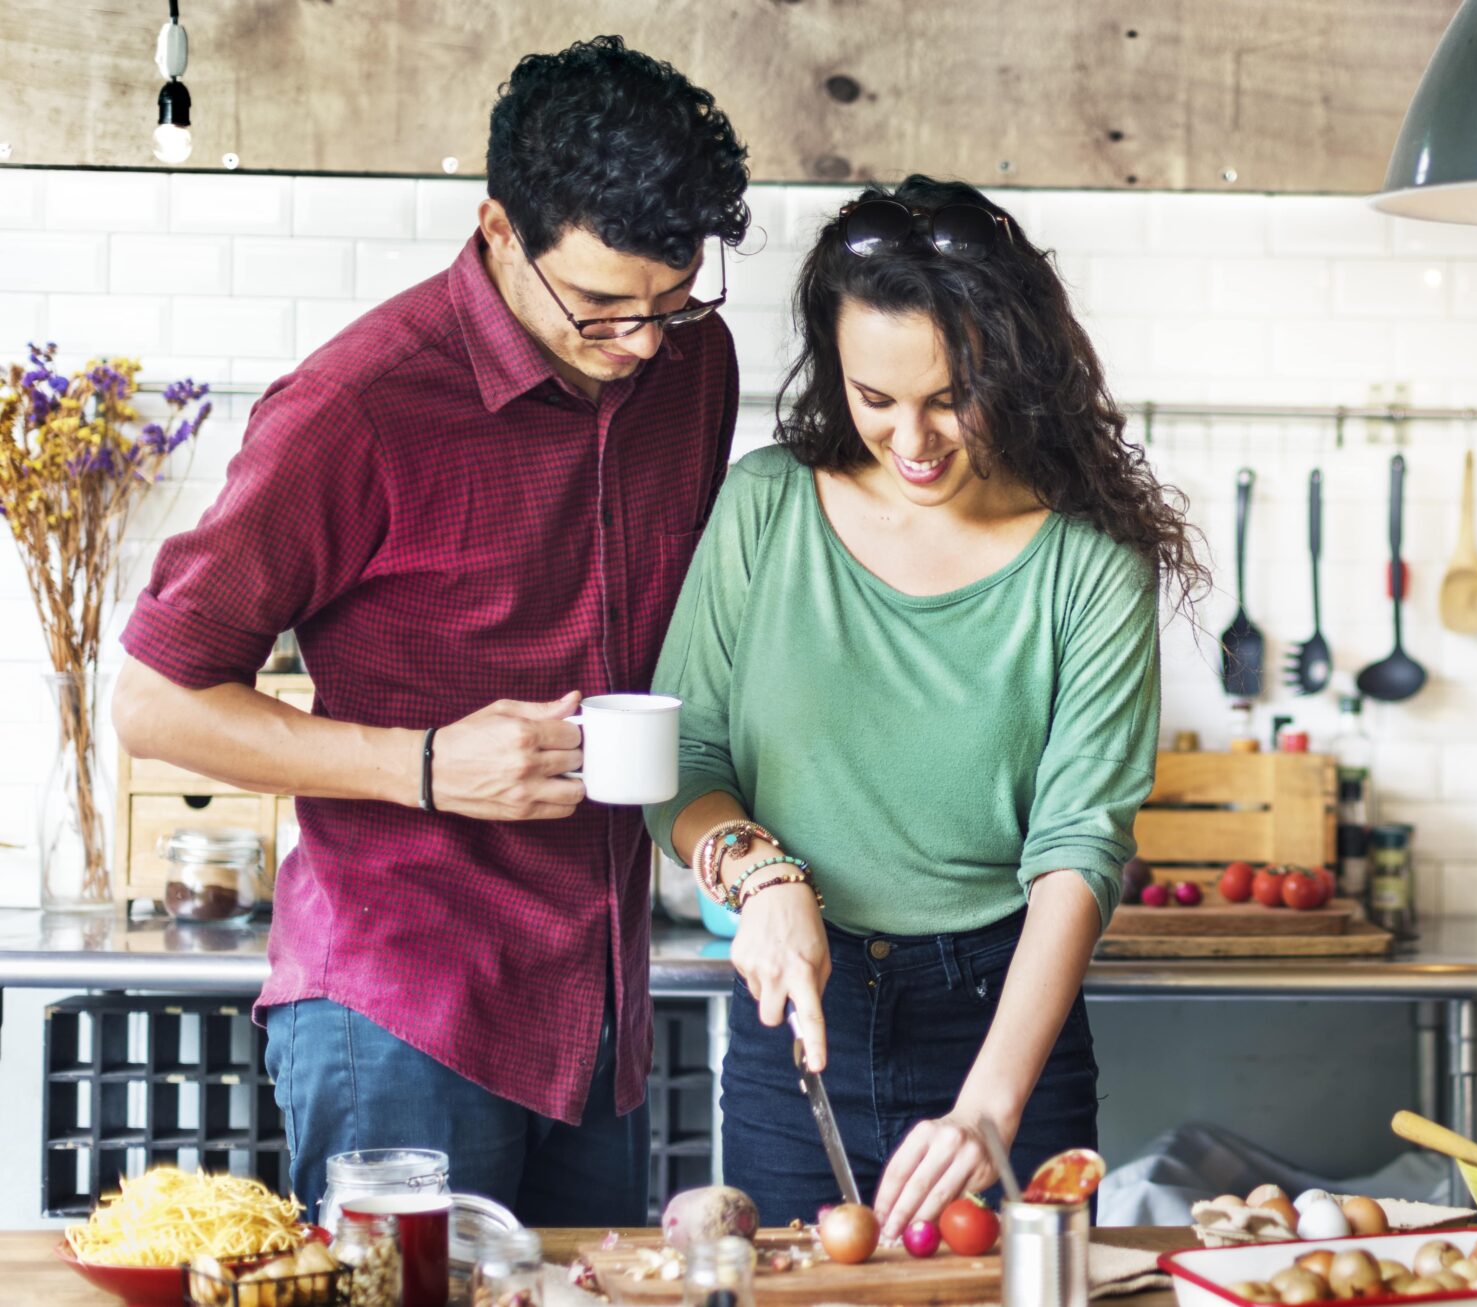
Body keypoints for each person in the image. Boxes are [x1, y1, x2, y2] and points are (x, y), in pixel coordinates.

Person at [110, 36, 749, 1224]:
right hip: (402, 1003)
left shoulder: (691, 364)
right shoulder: (355, 407)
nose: (643, 343)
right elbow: (152, 698)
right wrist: (420, 763)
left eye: (672, 299)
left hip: (600, 1005)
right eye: (603, 306)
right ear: (498, 231)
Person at [645, 176, 1202, 1236]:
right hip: (795, 1021)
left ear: (1018, 368)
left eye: (952, 396)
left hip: (1005, 1022)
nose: (913, 440)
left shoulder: (1087, 561)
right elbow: (686, 753)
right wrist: (756, 872)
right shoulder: (767, 505)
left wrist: (987, 1104)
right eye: (875, 398)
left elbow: (1078, 846)